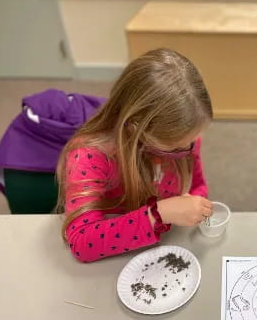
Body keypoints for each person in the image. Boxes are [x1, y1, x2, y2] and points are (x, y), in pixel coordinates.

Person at [56, 48, 213, 262]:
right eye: (176, 146)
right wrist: (158, 214)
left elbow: (197, 186)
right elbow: (82, 241)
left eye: (191, 143)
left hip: (167, 245)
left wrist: (196, 204)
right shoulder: (89, 156)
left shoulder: (185, 142)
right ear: (135, 127)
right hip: (116, 260)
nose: (189, 149)